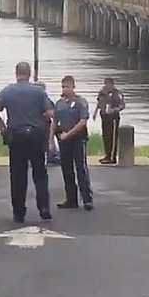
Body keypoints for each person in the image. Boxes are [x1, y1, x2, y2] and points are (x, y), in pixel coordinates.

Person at [0, 62, 54, 223]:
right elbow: (51, 112)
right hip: (35, 135)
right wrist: (40, 119)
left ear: (16, 73)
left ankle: (19, 212)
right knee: (39, 173)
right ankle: (44, 208)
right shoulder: (39, 92)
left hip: (16, 136)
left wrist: (1, 124)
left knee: (18, 175)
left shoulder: (7, 91)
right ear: (30, 73)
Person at [54, 75, 93, 211]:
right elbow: (54, 121)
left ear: (73, 87)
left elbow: (82, 122)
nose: (65, 89)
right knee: (67, 169)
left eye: (67, 87)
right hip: (63, 140)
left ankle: (87, 199)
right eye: (63, 87)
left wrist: (68, 135)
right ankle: (71, 199)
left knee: (81, 168)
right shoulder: (59, 103)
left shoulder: (80, 102)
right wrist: (51, 141)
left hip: (77, 139)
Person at [93, 77, 126, 164]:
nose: (106, 86)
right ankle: (107, 155)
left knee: (113, 137)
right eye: (105, 84)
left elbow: (122, 105)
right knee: (106, 136)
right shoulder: (102, 93)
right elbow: (99, 103)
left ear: (112, 84)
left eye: (107, 84)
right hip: (104, 117)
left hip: (113, 117)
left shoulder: (117, 94)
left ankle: (112, 157)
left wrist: (115, 109)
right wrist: (95, 112)